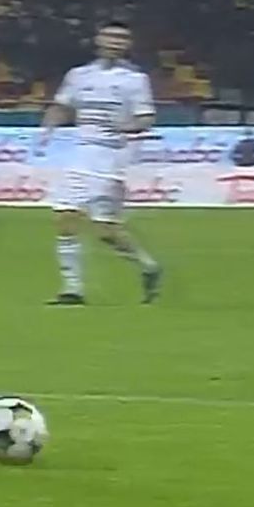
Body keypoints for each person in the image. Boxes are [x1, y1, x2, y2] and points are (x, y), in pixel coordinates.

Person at [38, 20, 161, 306]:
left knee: (105, 231)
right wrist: (47, 129)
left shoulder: (135, 79)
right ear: (98, 40)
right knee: (64, 216)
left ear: (128, 45)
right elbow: (61, 105)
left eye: (121, 38)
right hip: (79, 154)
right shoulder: (78, 75)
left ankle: (148, 265)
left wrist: (128, 126)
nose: (115, 41)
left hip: (110, 158)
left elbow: (146, 117)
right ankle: (72, 289)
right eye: (110, 36)